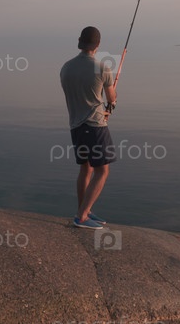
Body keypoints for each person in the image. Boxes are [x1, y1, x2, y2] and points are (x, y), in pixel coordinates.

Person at [59, 26, 117, 230]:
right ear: (98, 45)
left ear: (79, 41)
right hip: (95, 126)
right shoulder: (102, 68)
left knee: (86, 168)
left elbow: (81, 95)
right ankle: (82, 216)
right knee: (102, 171)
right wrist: (111, 103)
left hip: (75, 126)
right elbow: (111, 98)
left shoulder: (66, 68)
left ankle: (83, 209)